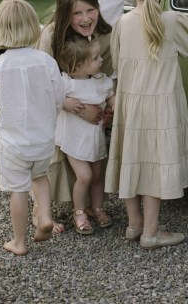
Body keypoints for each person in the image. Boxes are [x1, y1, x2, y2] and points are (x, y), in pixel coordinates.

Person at [105, 0, 188, 250]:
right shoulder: (172, 21)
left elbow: (117, 62)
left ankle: (134, 225)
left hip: (130, 106)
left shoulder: (122, 23)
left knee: (131, 161)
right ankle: (151, 232)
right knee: (153, 167)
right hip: (161, 108)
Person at [0, 0, 66, 256]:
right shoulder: (46, 62)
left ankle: (19, 241)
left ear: (0, 28)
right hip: (43, 141)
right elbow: (59, 98)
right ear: (31, 26)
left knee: (18, 191)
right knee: (40, 177)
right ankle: (45, 216)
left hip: (13, 146)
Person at [35, 0, 114, 231]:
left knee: (94, 164)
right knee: (64, 154)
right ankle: (42, 210)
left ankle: (92, 205)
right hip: (60, 109)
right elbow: (43, 86)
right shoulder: (51, 38)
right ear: (64, 13)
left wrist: (106, 107)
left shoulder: (104, 34)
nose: (85, 18)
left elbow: (108, 75)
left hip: (94, 117)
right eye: (77, 13)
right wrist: (70, 104)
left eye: (90, 10)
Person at [56, 35, 115, 234]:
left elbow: (110, 95)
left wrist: (113, 107)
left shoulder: (99, 81)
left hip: (95, 139)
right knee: (84, 176)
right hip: (74, 140)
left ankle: (97, 208)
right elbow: (51, 98)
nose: (101, 60)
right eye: (96, 58)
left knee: (97, 175)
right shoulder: (66, 83)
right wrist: (66, 103)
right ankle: (79, 211)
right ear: (79, 65)